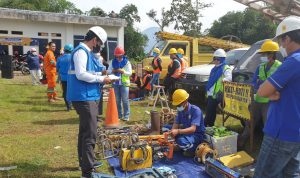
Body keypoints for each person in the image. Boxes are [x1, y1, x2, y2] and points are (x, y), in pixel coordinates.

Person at [254, 16, 300, 178]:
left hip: (280, 133)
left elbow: (262, 92)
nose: (281, 45)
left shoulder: (293, 61)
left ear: (287, 38)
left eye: (281, 41)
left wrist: (271, 94)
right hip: (296, 134)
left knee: (264, 174)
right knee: (291, 174)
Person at [66, 26, 112, 178]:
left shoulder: (85, 52)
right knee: (90, 134)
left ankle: (85, 162)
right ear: (95, 40)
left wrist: (100, 73)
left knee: (84, 131)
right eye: (99, 43)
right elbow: (81, 74)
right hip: (84, 97)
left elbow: (88, 71)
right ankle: (88, 171)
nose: (98, 46)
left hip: (86, 95)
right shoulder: (81, 52)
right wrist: (101, 79)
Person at [238, 40, 282, 147]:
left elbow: (281, 84)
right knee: (250, 122)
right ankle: (241, 142)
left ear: (272, 54)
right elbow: (254, 82)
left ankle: (268, 147)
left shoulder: (280, 66)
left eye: (265, 54)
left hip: (270, 102)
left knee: (268, 125)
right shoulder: (260, 67)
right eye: (263, 54)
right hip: (258, 99)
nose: (263, 56)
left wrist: (265, 84)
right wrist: (258, 85)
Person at [170, 89, 205, 155]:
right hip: (185, 131)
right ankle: (181, 146)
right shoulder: (181, 110)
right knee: (165, 128)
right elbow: (176, 123)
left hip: (196, 135)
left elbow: (192, 129)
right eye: (177, 105)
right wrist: (172, 133)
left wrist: (177, 131)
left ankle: (193, 148)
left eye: (179, 105)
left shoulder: (196, 110)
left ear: (185, 101)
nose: (178, 107)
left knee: (181, 141)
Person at [204, 49, 232, 127]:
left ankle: (207, 124)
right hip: (211, 93)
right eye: (214, 59)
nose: (215, 61)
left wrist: (225, 79)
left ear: (222, 59)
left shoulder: (226, 68)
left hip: (218, 94)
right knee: (210, 111)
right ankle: (209, 125)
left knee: (210, 111)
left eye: (217, 59)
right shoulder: (214, 68)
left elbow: (229, 77)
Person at [108, 46, 132, 121]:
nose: (118, 58)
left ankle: (126, 115)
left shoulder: (127, 62)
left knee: (125, 100)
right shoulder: (112, 62)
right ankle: (119, 115)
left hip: (124, 84)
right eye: (117, 57)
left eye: (120, 56)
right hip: (115, 84)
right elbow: (108, 71)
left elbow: (130, 73)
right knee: (117, 100)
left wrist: (123, 71)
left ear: (123, 55)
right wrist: (113, 71)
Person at [56, 44, 73, 111]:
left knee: (65, 92)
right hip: (72, 78)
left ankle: (68, 106)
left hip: (63, 78)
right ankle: (73, 105)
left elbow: (57, 68)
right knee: (72, 91)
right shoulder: (73, 57)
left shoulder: (60, 58)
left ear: (64, 50)